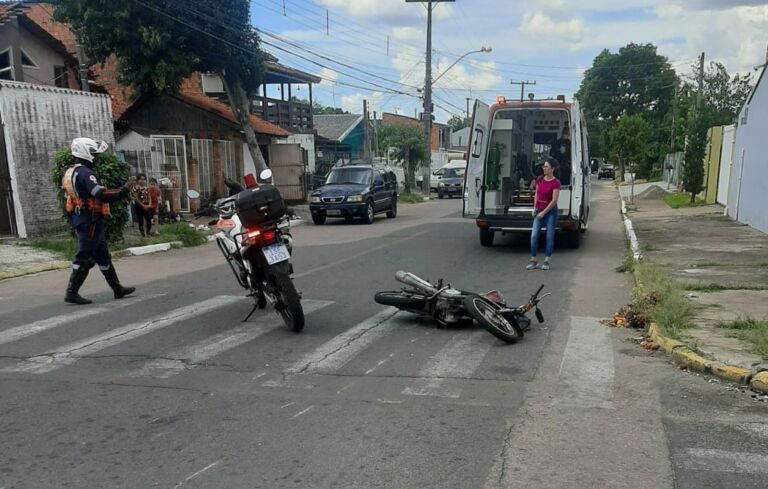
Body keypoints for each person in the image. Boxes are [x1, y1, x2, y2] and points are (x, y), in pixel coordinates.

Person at [62, 137, 136, 305]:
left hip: (84, 219)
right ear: (86, 153)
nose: (96, 157)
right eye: (94, 153)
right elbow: (100, 194)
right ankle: (71, 292)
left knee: (103, 256)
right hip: (89, 221)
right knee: (84, 257)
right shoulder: (86, 173)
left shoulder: (72, 171)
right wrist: (123, 191)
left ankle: (117, 289)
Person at [526, 158, 561, 271]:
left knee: (549, 236)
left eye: (546, 167)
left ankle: (546, 260)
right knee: (534, 235)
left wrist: (544, 212)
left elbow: (554, 201)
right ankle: (533, 260)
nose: (544, 168)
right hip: (538, 210)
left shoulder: (556, 183)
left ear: (552, 169)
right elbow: (537, 194)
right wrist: (534, 208)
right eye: (544, 167)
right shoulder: (540, 179)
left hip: (550, 212)